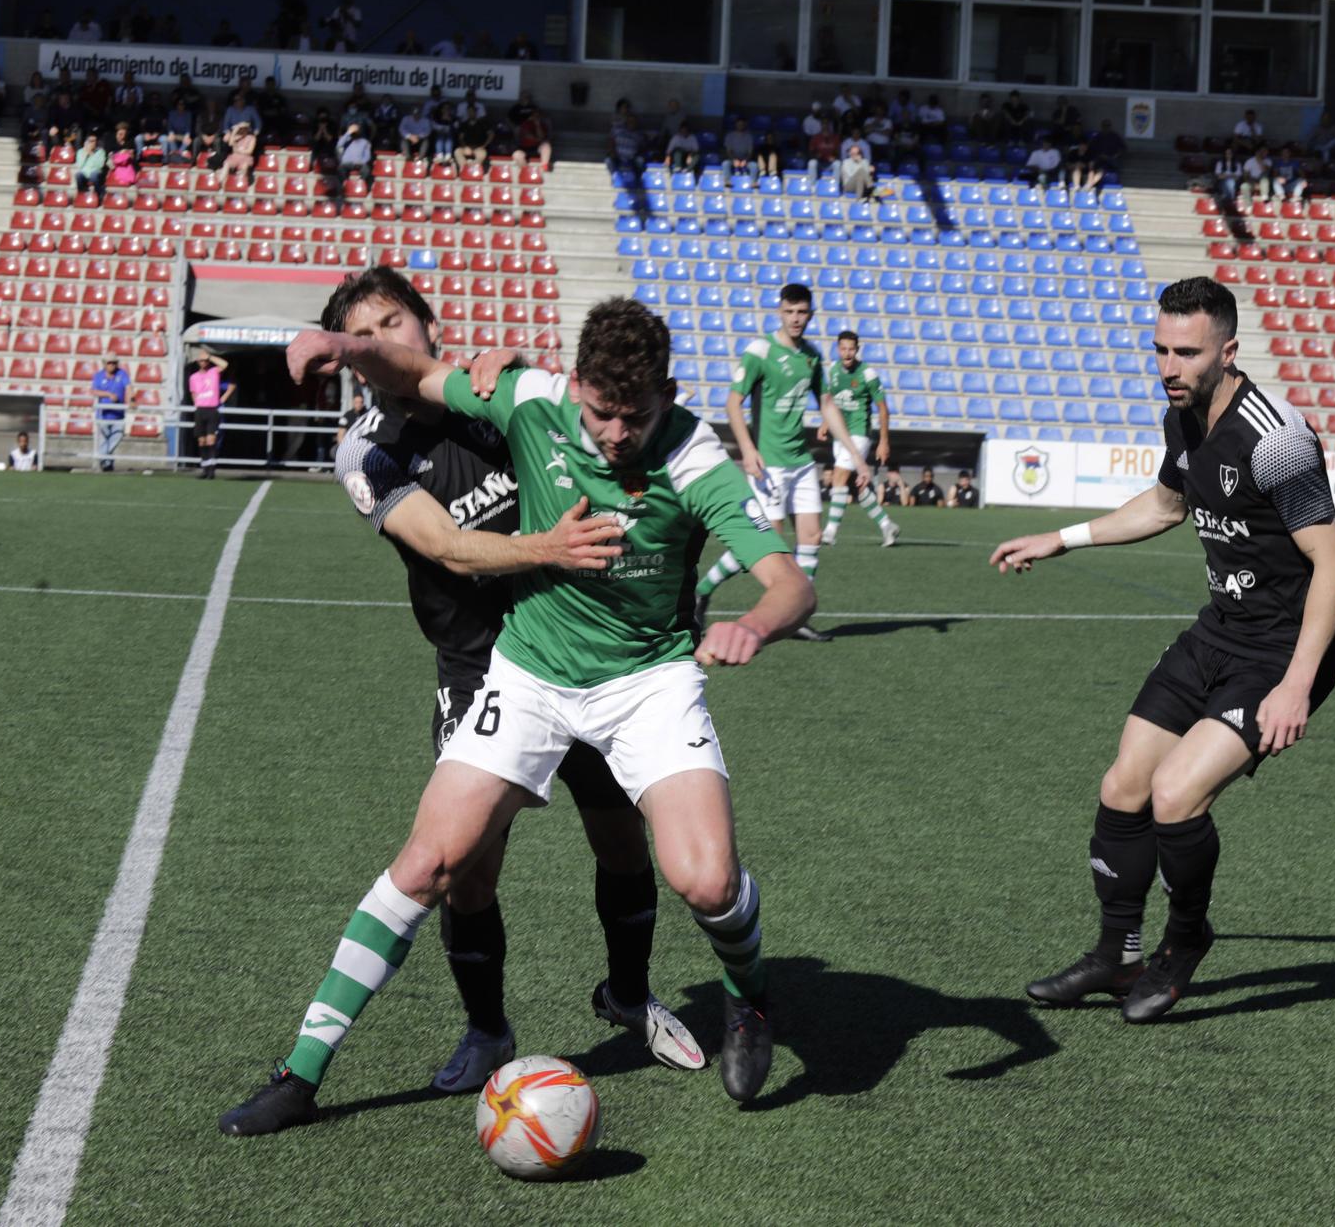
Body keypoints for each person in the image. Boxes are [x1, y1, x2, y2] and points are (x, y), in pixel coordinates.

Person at [219, 295, 816, 1135]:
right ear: (575, 386)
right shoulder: (531, 397)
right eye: (601, 412)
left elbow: (792, 580)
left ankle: (747, 998)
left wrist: (756, 620)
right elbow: (418, 372)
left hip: (647, 680)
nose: (615, 433)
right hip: (529, 670)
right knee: (430, 864)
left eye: (634, 415)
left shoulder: (693, 455)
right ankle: (300, 1071)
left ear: (668, 394)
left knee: (706, 878)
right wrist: (337, 342)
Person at [299, 268, 704, 1095]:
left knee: (621, 838)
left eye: (393, 320)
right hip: (481, 667)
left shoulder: (497, 393)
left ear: (426, 324)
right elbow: (446, 546)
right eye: (363, 333)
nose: (381, 340)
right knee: (464, 869)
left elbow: (597, 425)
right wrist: (544, 548)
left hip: (580, 646)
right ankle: (487, 1028)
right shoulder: (364, 449)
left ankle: (628, 993)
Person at [993, 276, 1335, 1023]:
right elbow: (1165, 503)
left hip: (1278, 653)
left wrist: (1295, 685)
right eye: (1160, 348)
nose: (1168, 365)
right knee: (1123, 784)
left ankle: (1184, 940)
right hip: (1216, 632)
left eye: (1186, 352)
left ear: (1228, 350)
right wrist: (1060, 539)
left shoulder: (1278, 438)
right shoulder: (1182, 414)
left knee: (1175, 796)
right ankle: (1116, 957)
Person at [693, 284, 870, 643]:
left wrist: (854, 453)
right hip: (769, 462)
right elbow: (732, 403)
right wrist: (748, 450)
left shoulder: (811, 356)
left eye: (802, 312)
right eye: (790, 312)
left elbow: (828, 405)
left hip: (801, 462)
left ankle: (795, 617)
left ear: (811, 314)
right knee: (769, 542)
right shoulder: (760, 351)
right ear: (779, 311)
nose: (796, 319)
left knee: (811, 537)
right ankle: (702, 590)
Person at [818, 330, 899, 547]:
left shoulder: (868, 374)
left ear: (857, 349)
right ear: (838, 349)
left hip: (859, 434)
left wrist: (883, 441)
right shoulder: (834, 371)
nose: (847, 353)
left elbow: (883, 409)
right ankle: (887, 525)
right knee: (859, 487)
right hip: (840, 435)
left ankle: (830, 531)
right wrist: (826, 423)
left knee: (839, 477)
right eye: (843, 348)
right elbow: (832, 401)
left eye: (851, 349)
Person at [188, 349, 233, 478]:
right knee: (201, 441)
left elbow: (224, 365)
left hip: (212, 410)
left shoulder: (214, 372)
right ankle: (205, 468)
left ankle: (212, 470)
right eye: (201, 360)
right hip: (200, 410)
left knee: (211, 440)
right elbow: (193, 392)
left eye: (205, 360)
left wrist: (210, 356)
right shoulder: (194, 377)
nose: (203, 362)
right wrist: (196, 403)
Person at [92, 356, 128, 470]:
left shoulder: (122, 374)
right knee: (106, 439)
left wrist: (132, 399)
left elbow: (129, 387)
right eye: (109, 362)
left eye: (114, 362)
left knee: (117, 436)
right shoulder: (98, 376)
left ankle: (101, 454)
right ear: (104, 364)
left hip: (118, 414)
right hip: (103, 414)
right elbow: (93, 391)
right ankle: (107, 464)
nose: (112, 365)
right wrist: (108, 394)